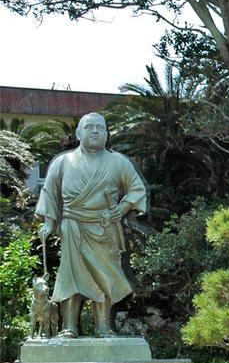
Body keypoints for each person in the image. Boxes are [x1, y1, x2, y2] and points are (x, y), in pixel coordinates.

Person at [36, 113, 147, 337]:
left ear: (107, 134)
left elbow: (137, 189)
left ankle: (104, 327)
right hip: (72, 227)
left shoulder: (119, 162)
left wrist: (122, 208)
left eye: (100, 128)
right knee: (70, 277)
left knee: (105, 277)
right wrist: (49, 223)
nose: (95, 131)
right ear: (79, 133)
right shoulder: (63, 162)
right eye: (89, 127)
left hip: (105, 229)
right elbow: (49, 192)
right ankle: (69, 326)